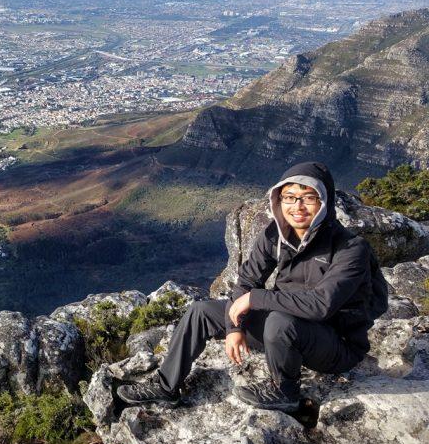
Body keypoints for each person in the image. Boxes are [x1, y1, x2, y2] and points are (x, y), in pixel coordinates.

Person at [117, 161, 381, 412]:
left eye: (309, 197)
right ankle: (166, 386)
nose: (298, 206)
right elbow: (246, 282)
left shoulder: (350, 248)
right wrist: (235, 327)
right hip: (283, 333)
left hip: (336, 345)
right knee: (201, 312)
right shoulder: (274, 235)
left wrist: (256, 299)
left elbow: (321, 306)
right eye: (289, 197)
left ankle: (284, 391)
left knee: (280, 320)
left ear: (324, 202)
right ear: (279, 200)